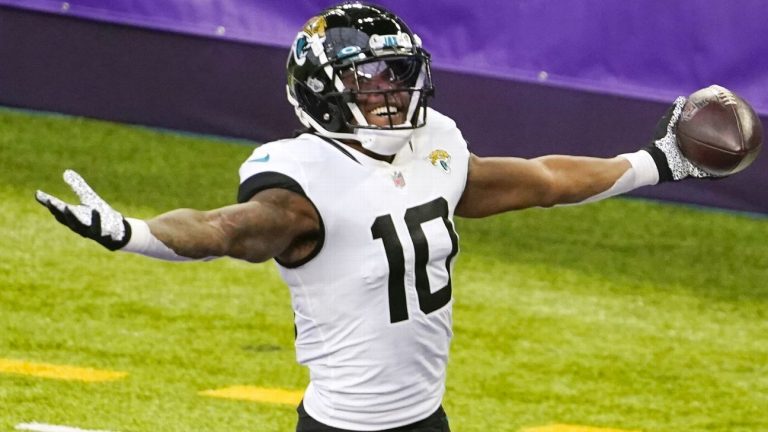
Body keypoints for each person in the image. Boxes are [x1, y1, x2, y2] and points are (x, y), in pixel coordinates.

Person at [36, 3, 721, 431]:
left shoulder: (435, 145)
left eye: (395, 74)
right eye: (367, 81)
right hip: (345, 427)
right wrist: (137, 234)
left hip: (426, 417)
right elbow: (225, 229)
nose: (390, 93)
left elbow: (542, 180)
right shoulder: (300, 178)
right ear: (320, 92)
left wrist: (660, 161)